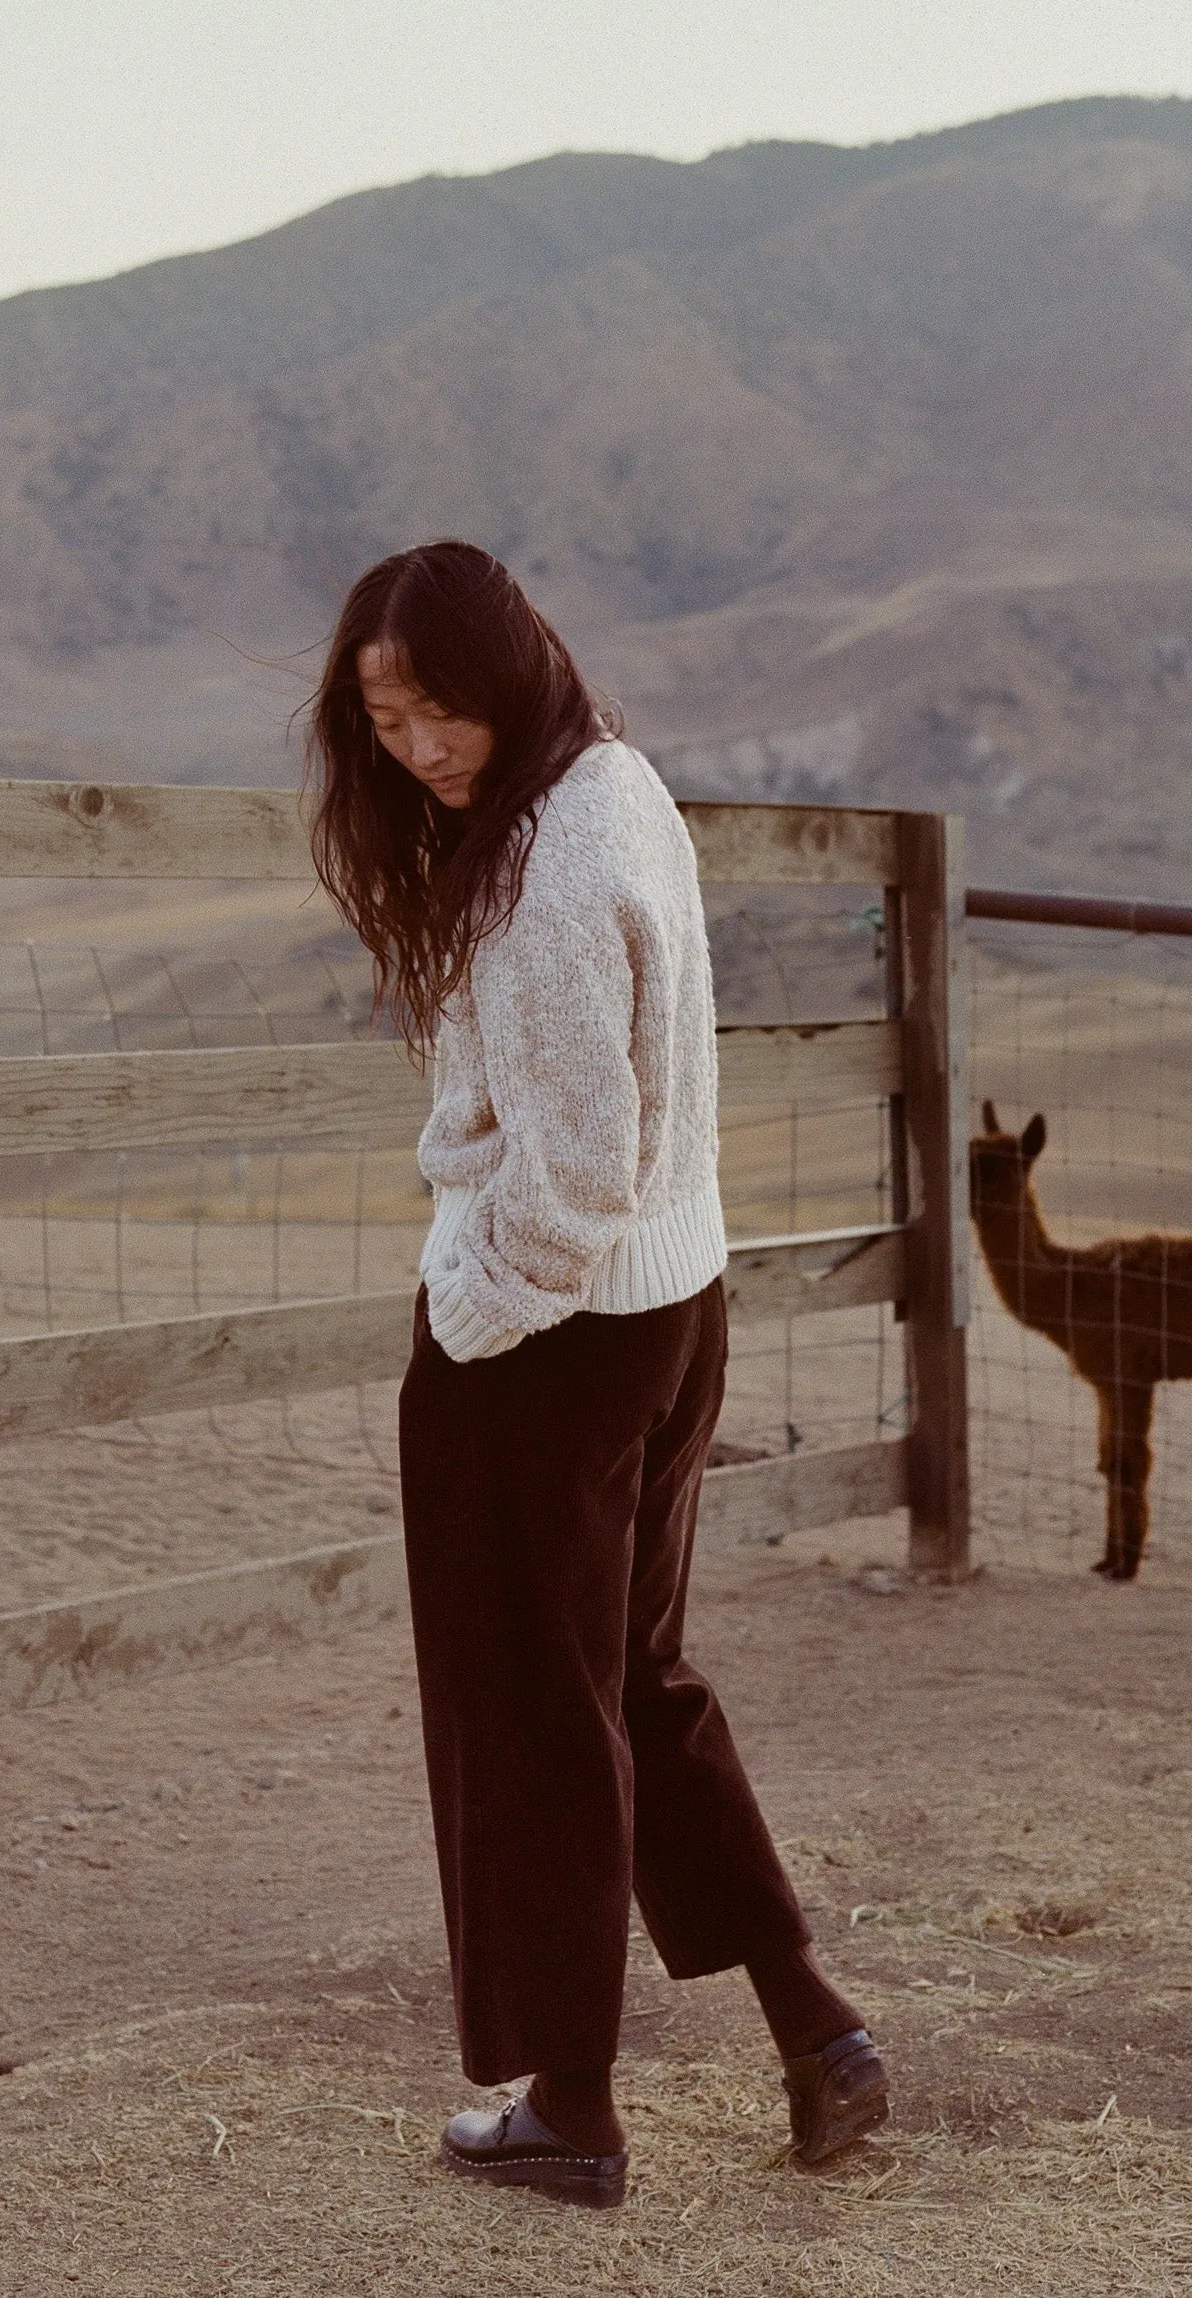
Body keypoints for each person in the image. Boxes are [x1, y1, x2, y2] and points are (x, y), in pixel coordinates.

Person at [307, 539, 889, 2212]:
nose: (418, 745)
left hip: (555, 1335)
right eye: (386, 715)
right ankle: (817, 2026)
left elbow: (570, 1185)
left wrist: (465, 1322)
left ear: (510, 666)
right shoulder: (615, 780)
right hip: (673, 1309)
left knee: (533, 1709)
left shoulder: (547, 868)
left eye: (440, 705)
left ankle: (571, 2102)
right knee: (634, 1681)